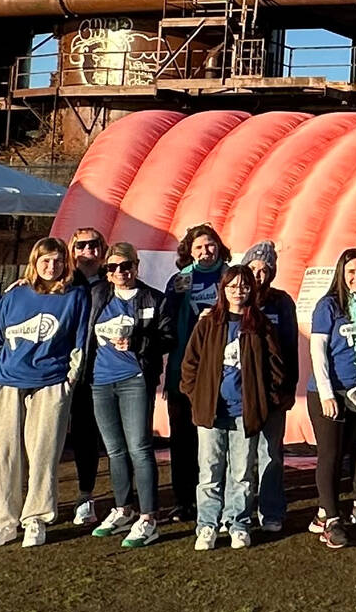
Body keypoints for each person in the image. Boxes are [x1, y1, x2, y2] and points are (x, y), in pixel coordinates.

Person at [0, 238, 91, 549]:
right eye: (45, 260)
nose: (51, 266)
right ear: (34, 262)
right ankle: (2, 522)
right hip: (5, 381)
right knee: (2, 454)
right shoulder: (14, 294)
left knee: (43, 454)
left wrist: (68, 380)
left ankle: (36, 519)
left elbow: (80, 341)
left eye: (57, 261)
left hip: (50, 382)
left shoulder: (75, 296)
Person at [177, 266, 292, 551]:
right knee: (210, 472)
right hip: (211, 413)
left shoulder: (261, 325)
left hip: (245, 412)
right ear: (223, 290)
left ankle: (239, 523)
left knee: (241, 473)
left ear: (252, 290)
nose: (238, 291)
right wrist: (196, 394)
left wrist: (266, 399)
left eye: (244, 286)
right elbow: (189, 364)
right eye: (232, 286)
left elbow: (276, 368)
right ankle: (207, 525)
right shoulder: (208, 323)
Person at [78, 242, 172, 548]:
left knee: (140, 448)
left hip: (134, 379)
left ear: (136, 265)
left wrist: (138, 343)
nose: (120, 272)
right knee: (114, 449)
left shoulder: (153, 298)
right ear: (106, 271)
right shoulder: (97, 296)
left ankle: (148, 518)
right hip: (100, 381)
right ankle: (122, 509)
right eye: (113, 267)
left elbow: (168, 337)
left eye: (126, 266)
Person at [308, 249, 356, 549]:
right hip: (331, 393)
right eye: (351, 271)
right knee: (331, 454)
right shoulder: (328, 306)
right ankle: (331, 520)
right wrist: (327, 393)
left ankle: (332, 510)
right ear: (341, 273)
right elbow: (318, 352)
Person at [163, 224, 229, 523]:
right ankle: (183, 499)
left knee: (219, 436)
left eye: (210, 245)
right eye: (199, 247)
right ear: (189, 251)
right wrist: (176, 299)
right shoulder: (180, 280)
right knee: (183, 437)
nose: (206, 251)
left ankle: (222, 497)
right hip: (185, 367)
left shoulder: (230, 275)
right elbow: (167, 318)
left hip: (222, 367)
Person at [239, 241, 299, 534]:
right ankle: (241, 510)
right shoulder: (234, 300)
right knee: (242, 456)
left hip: (273, 392)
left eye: (265, 270)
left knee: (271, 454)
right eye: (253, 269)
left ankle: (272, 509)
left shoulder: (282, 302)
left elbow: (290, 346)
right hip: (241, 393)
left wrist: (289, 388)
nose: (258, 275)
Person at [58, 226, 108, 528]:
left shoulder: (113, 281)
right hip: (58, 371)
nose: (87, 251)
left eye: (93, 245)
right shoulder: (61, 282)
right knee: (47, 439)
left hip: (96, 372)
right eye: (81, 245)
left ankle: (85, 495)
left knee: (88, 437)